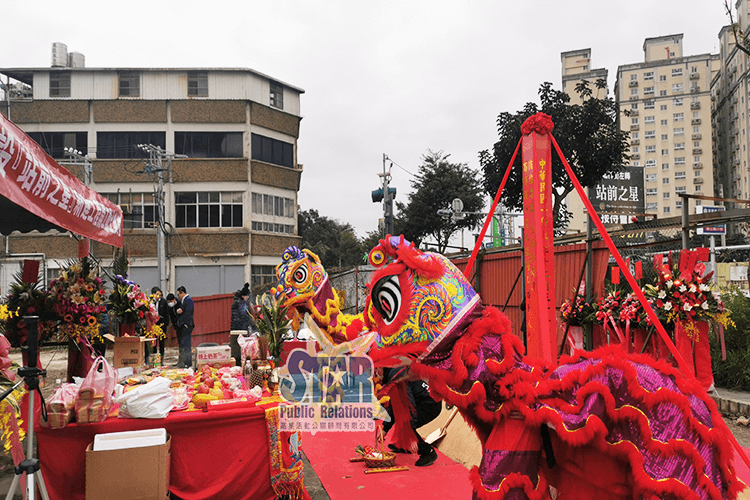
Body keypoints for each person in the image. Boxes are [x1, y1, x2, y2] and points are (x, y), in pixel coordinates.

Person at [381, 368, 442, 467]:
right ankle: (404, 445)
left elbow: (409, 406)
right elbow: (394, 403)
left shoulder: (397, 375)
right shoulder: (394, 373)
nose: (375, 375)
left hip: (430, 404)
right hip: (423, 401)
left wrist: (411, 435)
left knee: (406, 423)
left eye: (375, 370)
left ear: (380, 367)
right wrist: (385, 428)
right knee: (402, 418)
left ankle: (427, 452)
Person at [174, 286, 194, 368]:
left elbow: (188, 313)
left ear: (182, 292)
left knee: (186, 345)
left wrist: (185, 324)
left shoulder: (188, 300)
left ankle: (188, 363)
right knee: (184, 344)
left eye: (179, 294)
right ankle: (185, 362)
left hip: (187, 325)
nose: (178, 296)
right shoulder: (184, 300)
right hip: (184, 325)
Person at [151, 287, 170, 362]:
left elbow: (167, 314)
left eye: (160, 294)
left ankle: (161, 360)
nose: (159, 296)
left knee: (161, 342)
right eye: (157, 294)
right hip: (153, 325)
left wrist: (166, 324)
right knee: (153, 342)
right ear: (153, 294)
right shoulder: (151, 302)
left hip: (161, 324)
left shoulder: (163, 302)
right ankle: (154, 360)